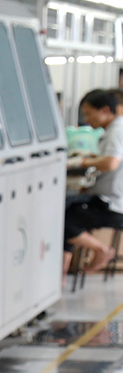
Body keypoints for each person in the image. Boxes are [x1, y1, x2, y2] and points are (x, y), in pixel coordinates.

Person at [62, 89, 123, 269]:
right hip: (108, 198)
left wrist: (82, 161)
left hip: (112, 204)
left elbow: (110, 163)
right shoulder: (113, 130)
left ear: (105, 110)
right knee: (70, 208)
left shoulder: (117, 131)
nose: (86, 119)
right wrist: (91, 158)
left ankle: (102, 250)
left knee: (65, 220)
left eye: (89, 114)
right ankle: (61, 275)